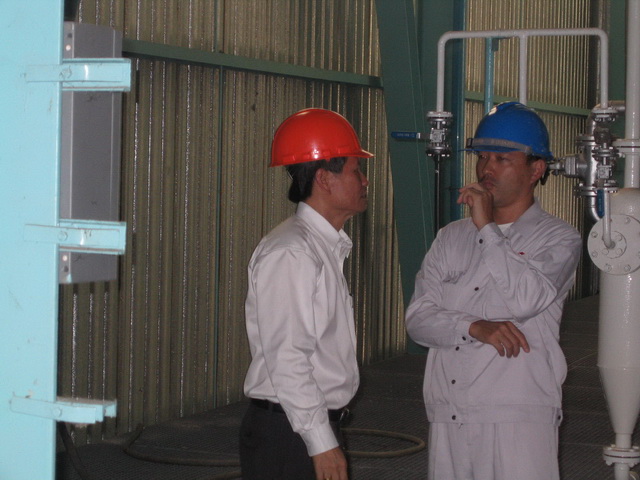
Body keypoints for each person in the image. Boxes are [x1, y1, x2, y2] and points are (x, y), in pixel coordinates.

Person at [405, 102, 582, 480]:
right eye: (482, 157)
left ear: (536, 169)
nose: (486, 168)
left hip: (517, 418)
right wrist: (472, 327)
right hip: (449, 413)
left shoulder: (558, 239)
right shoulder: (451, 238)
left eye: (502, 159)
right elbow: (418, 320)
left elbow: (526, 299)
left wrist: (487, 228)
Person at [239, 108, 373, 480]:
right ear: (324, 179)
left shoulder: (318, 247)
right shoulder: (293, 252)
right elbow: (288, 357)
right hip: (291, 434)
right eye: (356, 170)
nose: (364, 180)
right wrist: (321, 442)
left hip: (303, 426)